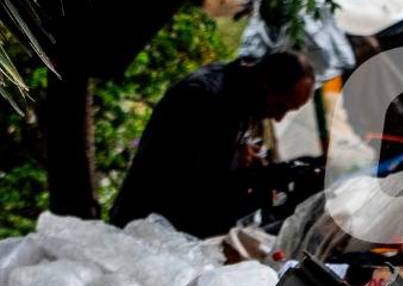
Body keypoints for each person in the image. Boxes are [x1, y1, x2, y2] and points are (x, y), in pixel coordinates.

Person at [110, 52, 315, 238]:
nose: (278, 118)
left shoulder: (238, 94)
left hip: (172, 230)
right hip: (147, 230)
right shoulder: (203, 98)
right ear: (265, 83)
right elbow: (191, 185)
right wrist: (256, 177)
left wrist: (241, 153)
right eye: (280, 106)